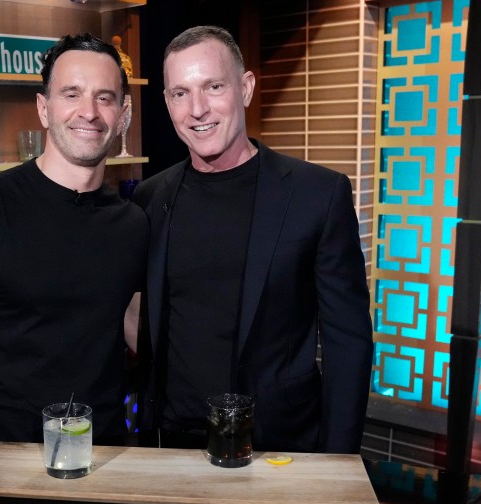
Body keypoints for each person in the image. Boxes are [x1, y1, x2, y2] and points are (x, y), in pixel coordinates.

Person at [0, 33, 147, 463]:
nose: (89, 111)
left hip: (103, 462)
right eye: (71, 94)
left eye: (104, 97)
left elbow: (138, 330)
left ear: (123, 114)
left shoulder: (132, 223)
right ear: (43, 108)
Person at [133, 26, 373, 454]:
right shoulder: (151, 198)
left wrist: (340, 462)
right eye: (180, 93)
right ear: (167, 103)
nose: (198, 109)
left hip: (278, 445)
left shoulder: (317, 195)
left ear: (244, 88)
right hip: (171, 444)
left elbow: (347, 341)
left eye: (214, 86)